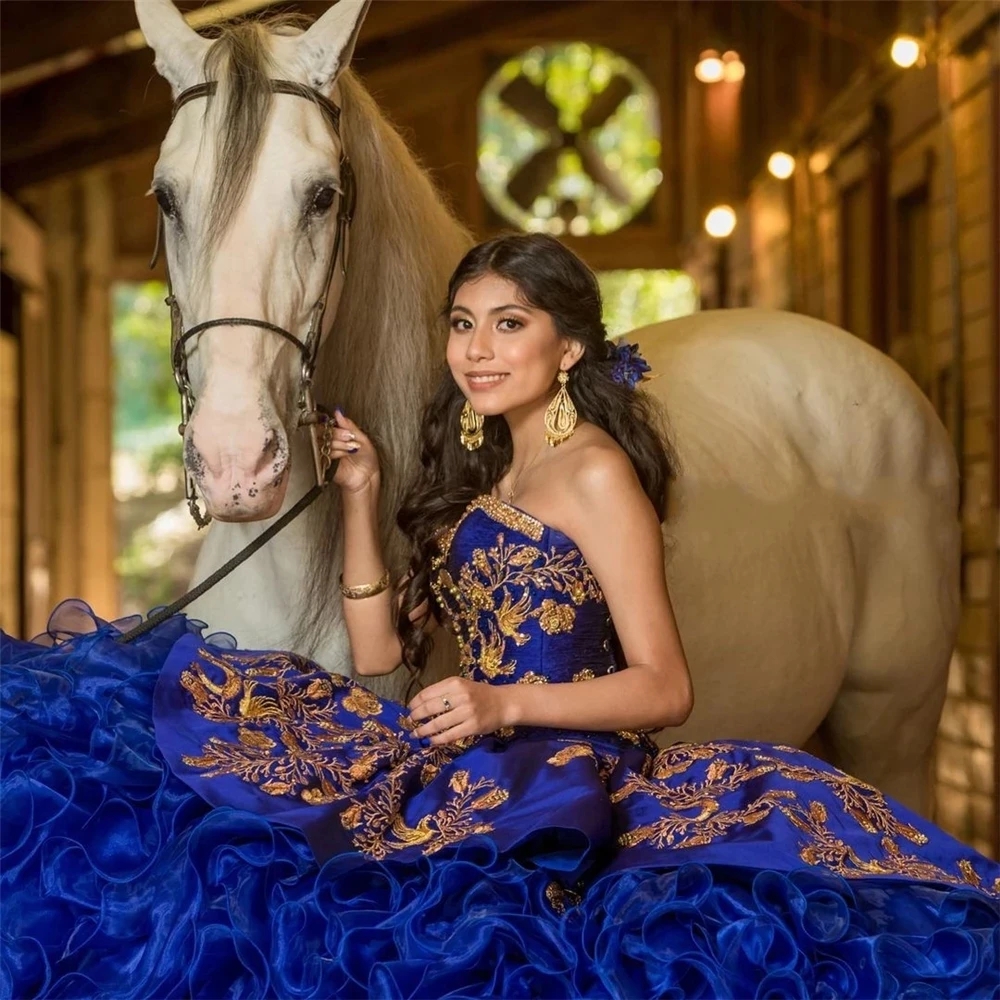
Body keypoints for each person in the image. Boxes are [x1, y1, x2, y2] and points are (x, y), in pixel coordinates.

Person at [2, 233, 997, 999]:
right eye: (462, 323)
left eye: (507, 323)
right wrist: (361, 498)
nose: (476, 350)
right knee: (161, 762)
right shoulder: (486, 478)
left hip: (560, 780)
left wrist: (497, 703)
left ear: (566, 346)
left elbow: (664, 686)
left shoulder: (599, 474)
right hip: (460, 756)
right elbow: (379, 653)